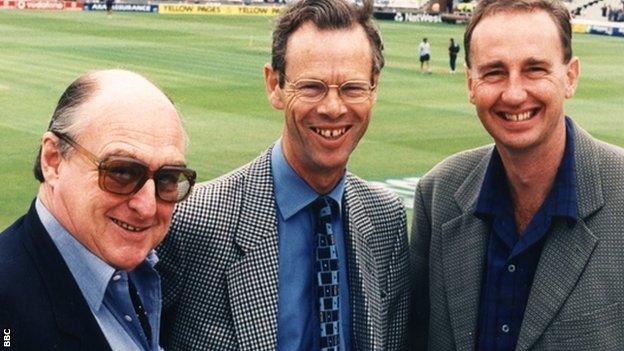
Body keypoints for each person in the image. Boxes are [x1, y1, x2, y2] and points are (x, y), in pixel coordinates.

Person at [156, 0, 410, 350]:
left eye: (352, 88)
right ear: (274, 85)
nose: (333, 108)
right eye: (312, 87)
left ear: (374, 88)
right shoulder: (194, 221)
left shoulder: (386, 219)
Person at [410, 0, 624, 350]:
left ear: (570, 77)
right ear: (470, 84)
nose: (513, 93)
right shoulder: (439, 194)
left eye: (535, 69)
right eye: (494, 72)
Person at [0, 69, 196, 351]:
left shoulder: (148, 268)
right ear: (53, 161)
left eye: (167, 178)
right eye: (121, 172)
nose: (147, 206)